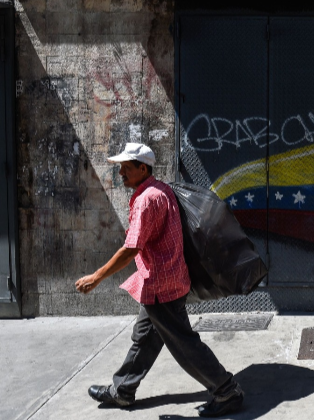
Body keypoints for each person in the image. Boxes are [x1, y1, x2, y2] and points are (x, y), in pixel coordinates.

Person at [75, 142, 243, 418]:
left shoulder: (147, 200)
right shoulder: (161, 189)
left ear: (143, 169)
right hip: (166, 281)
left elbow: (131, 248)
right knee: (145, 338)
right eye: (120, 168)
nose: (121, 174)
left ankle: (227, 391)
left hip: (161, 286)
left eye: (126, 168)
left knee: (185, 344)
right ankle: (123, 390)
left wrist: (96, 277)